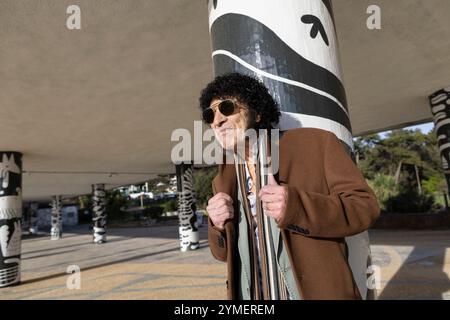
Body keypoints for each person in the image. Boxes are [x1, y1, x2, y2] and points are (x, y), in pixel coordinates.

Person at [199, 72, 380, 300]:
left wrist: (297, 207)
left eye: (226, 107)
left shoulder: (316, 144)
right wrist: (215, 224)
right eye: (210, 114)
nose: (217, 120)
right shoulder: (223, 177)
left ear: (257, 112)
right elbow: (222, 254)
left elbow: (364, 207)